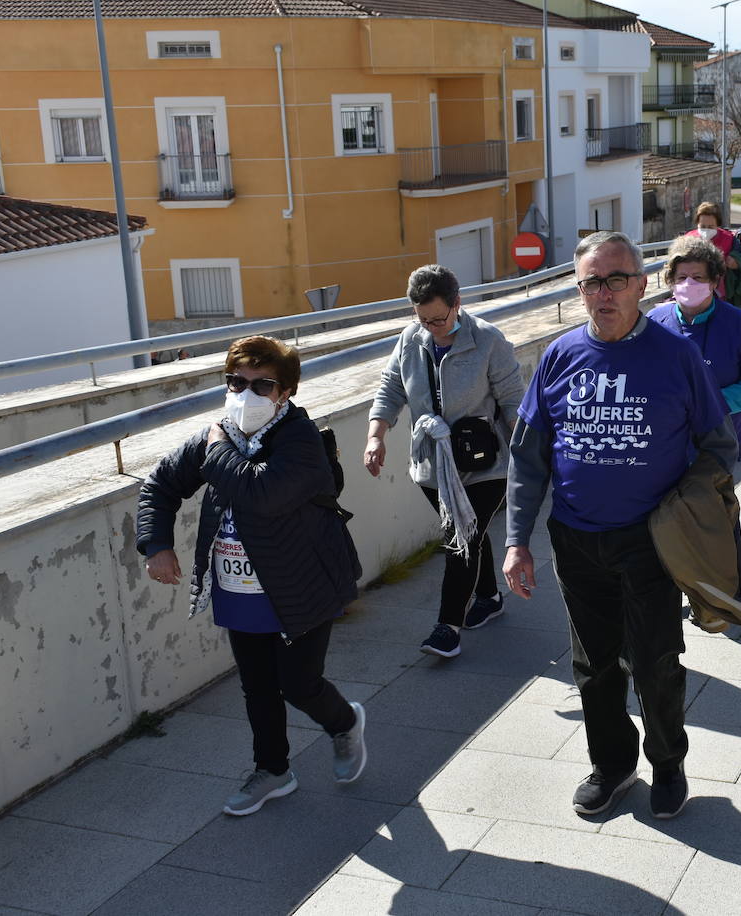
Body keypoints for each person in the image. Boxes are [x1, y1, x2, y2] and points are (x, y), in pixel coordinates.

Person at [503, 231, 738, 820]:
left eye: (615, 280)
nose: (603, 294)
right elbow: (528, 456)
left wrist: (684, 508)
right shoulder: (559, 356)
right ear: (579, 290)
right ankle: (612, 766)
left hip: (650, 540)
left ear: (639, 284)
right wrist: (515, 542)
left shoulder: (677, 354)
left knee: (657, 661)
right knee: (595, 664)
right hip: (576, 540)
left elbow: (718, 444)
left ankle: (667, 764)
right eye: (590, 283)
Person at [137, 336, 366, 816]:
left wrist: (217, 451)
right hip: (239, 588)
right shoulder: (220, 433)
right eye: (236, 382)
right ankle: (273, 770)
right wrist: (156, 544)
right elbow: (160, 484)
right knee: (258, 688)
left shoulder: (301, 441)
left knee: (300, 685)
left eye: (263, 385)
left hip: (302, 584)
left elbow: (263, 493)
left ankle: (344, 723)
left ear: (286, 392)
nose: (246, 394)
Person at [364, 265, 525, 658]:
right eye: (423, 319)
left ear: (458, 303)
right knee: (470, 530)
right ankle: (488, 597)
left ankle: (447, 627)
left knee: (460, 539)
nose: (432, 326)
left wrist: (531, 456)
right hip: (433, 465)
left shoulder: (488, 340)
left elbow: (512, 402)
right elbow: (391, 388)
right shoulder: (410, 339)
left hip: (486, 464)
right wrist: (375, 436)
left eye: (439, 318)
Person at [649, 236, 741, 451]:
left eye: (698, 277)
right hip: (666, 436)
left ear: (714, 281)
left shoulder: (736, 322)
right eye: (682, 277)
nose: (689, 284)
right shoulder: (655, 321)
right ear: (671, 281)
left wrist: (711, 403)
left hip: (720, 436)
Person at [686, 202, 740, 299]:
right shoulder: (688, 239)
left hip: (720, 294)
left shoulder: (729, 239)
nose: (706, 230)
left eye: (710, 227)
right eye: (702, 227)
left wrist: (734, 263)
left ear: (717, 225)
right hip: (694, 293)